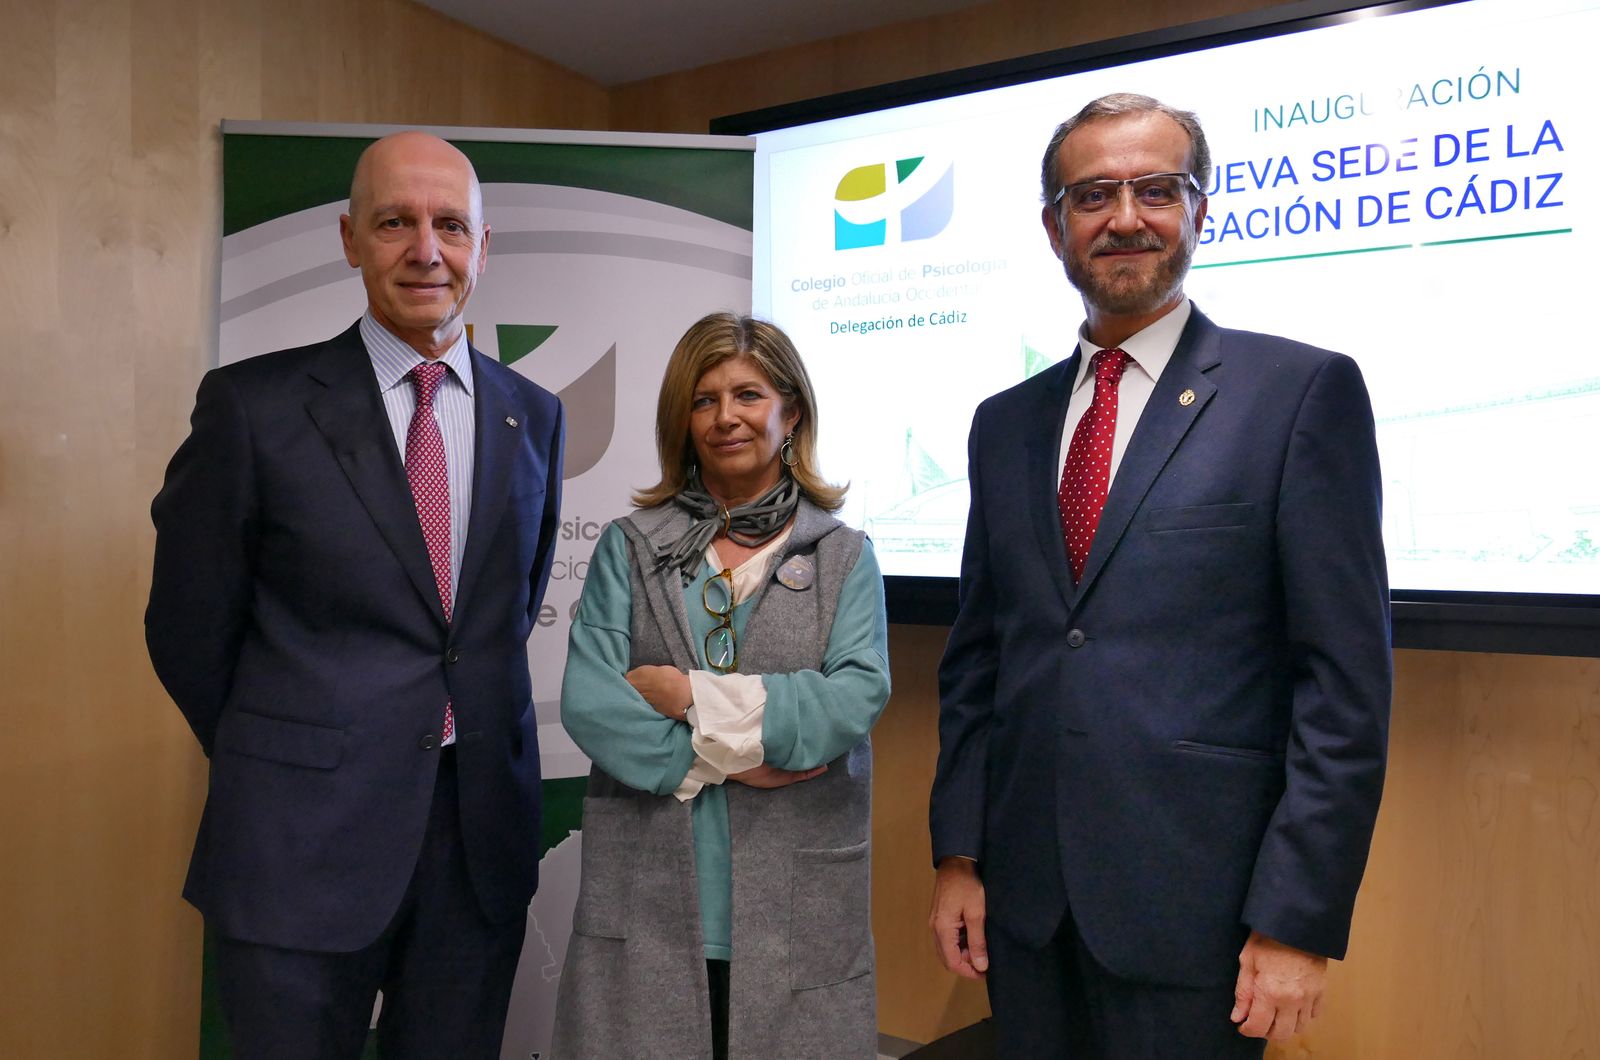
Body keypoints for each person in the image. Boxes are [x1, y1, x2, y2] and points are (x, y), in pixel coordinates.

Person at [927, 93, 1391, 1057]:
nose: (1125, 217)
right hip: (1026, 907)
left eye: (1156, 190)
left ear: (1200, 209)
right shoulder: (1002, 424)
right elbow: (980, 662)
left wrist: (1297, 917)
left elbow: (1343, 689)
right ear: (1055, 225)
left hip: (1202, 918)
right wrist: (959, 853)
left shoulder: (1300, 394)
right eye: (1092, 194)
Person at [146, 131, 564, 1060]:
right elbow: (186, 627)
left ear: (483, 246)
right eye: (395, 222)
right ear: (349, 239)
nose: (427, 249)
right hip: (298, 845)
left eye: (451, 225)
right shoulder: (252, 408)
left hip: (476, 849)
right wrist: (296, 748)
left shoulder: (532, 414)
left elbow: (502, 612)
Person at [550, 312, 890, 1059]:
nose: (726, 417)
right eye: (704, 400)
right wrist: (730, 755)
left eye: (748, 394)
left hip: (794, 912)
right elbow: (592, 701)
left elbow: (852, 700)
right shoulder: (630, 550)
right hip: (650, 898)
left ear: (790, 410)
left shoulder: (842, 557)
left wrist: (690, 698)